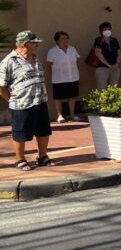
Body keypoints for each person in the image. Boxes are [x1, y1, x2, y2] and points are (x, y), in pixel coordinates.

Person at [1, 31, 54, 170]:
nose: (37, 46)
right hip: (21, 104)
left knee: (43, 130)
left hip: (40, 100)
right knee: (20, 133)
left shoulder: (36, 59)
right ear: (26, 44)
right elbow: (1, 86)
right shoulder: (9, 61)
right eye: (35, 43)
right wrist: (11, 100)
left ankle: (42, 157)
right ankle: (20, 160)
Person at [45, 31, 81, 123]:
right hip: (59, 78)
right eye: (62, 39)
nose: (65, 40)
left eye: (66, 38)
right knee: (58, 97)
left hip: (73, 77)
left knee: (72, 96)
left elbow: (76, 60)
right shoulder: (52, 51)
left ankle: (72, 115)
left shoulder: (72, 49)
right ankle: (60, 116)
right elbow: (49, 64)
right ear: (57, 41)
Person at [92, 22, 121, 89]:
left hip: (115, 68)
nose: (107, 31)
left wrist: (117, 64)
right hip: (102, 68)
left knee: (114, 89)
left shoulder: (114, 40)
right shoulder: (98, 40)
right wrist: (109, 65)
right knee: (102, 89)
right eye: (105, 29)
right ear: (101, 31)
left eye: (109, 29)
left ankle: (113, 100)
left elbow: (119, 54)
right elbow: (98, 54)